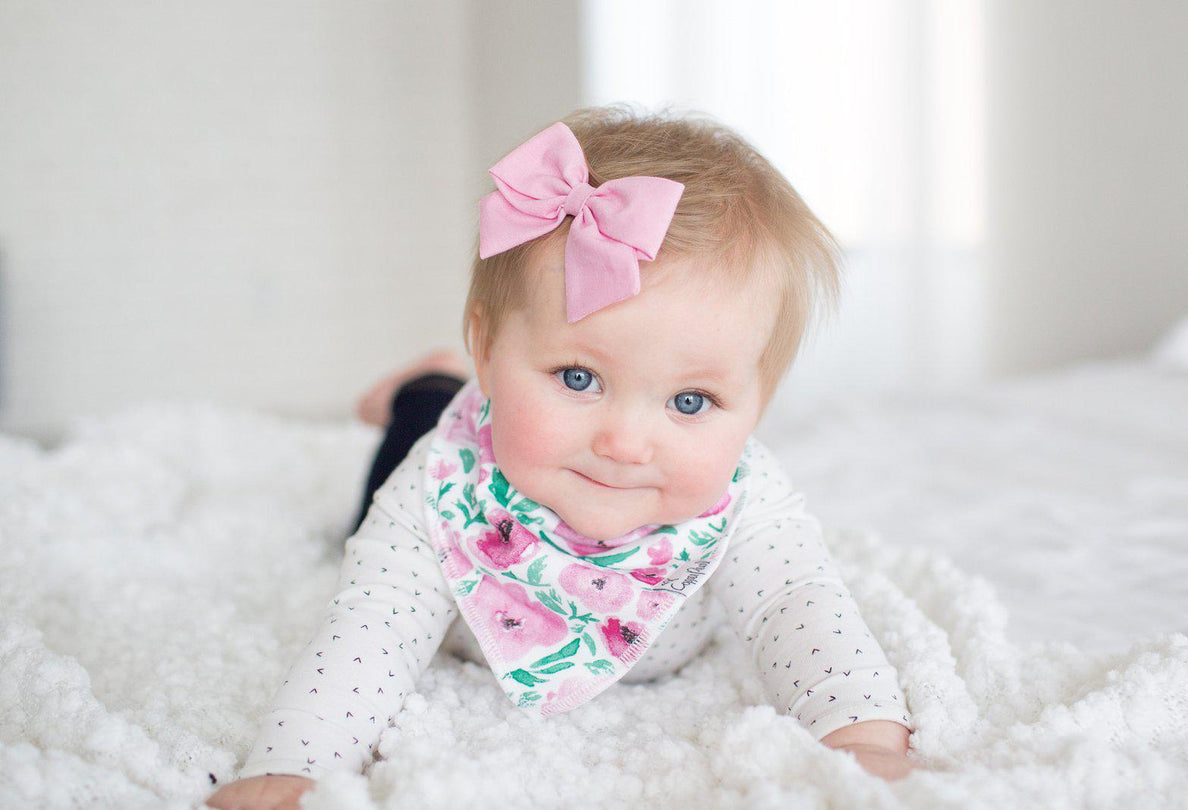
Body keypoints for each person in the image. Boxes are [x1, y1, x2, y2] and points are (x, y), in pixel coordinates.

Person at [207, 105, 915, 809]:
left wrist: (861, 733)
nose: (626, 445)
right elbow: (375, 621)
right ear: (488, 345)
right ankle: (424, 387)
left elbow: (799, 603)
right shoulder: (441, 482)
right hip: (453, 442)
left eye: (690, 402)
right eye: (579, 378)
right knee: (407, 438)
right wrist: (297, 762)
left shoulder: (743, 492)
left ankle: (445, 379)